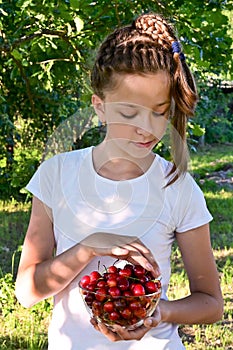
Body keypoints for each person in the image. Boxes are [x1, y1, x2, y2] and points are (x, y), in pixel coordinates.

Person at [15, 12, 223, 350]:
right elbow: (26, 292)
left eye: (160, 112)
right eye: (129, 113)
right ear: (100, 107)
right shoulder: (56, 175)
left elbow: (211, 303)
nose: (147, 128)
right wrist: (88, 248)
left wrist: (160, 311)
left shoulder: (178, 187)